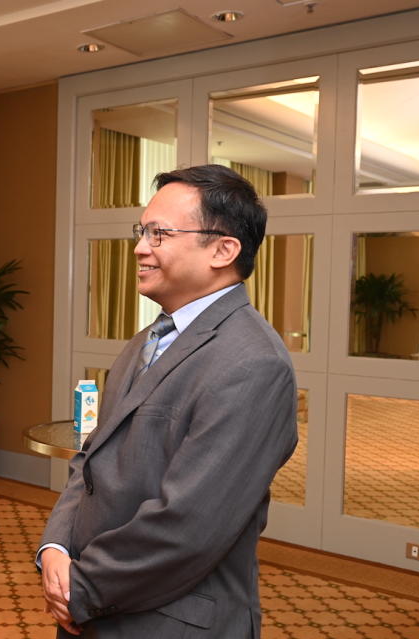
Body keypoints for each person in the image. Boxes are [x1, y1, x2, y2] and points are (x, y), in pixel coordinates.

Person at [38, 164, 298, 638]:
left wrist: (84, 589)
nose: (140, 248)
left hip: (167, 620)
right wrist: (55, 547)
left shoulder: (252, 363)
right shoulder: (148, 340)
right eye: (142, 231)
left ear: (223, 249)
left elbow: (190, 524)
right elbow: (91, 461)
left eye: (160, 234)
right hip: (92, 599)